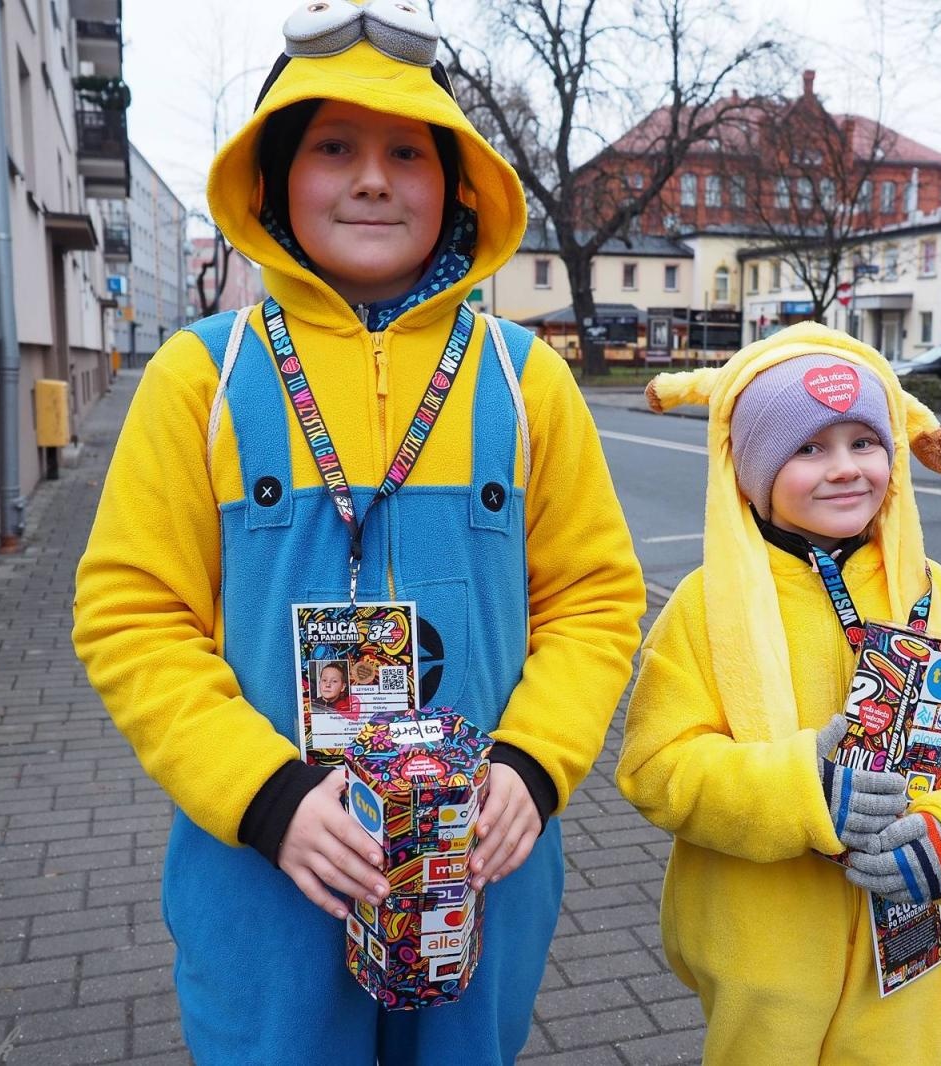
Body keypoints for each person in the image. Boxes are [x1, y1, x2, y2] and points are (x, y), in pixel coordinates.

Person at [71, 2, 646, 1061]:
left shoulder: (526, 383)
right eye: (334, 146)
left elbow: (596, 600)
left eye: (406, 152)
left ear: (457, 182)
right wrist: (267, 797)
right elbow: (132, 617)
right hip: (268, 874)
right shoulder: (203, 378)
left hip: (479, 866)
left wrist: (532, 762)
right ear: (275, 176)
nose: (372, 178)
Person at [617, 324, 941, 1063]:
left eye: (863, 443)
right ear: (752, 469)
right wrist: (801, 786)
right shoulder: (702, 607)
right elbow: (657, 767)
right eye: (808, 448)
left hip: (905, 953)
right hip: (761, 954)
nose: (844, 469)